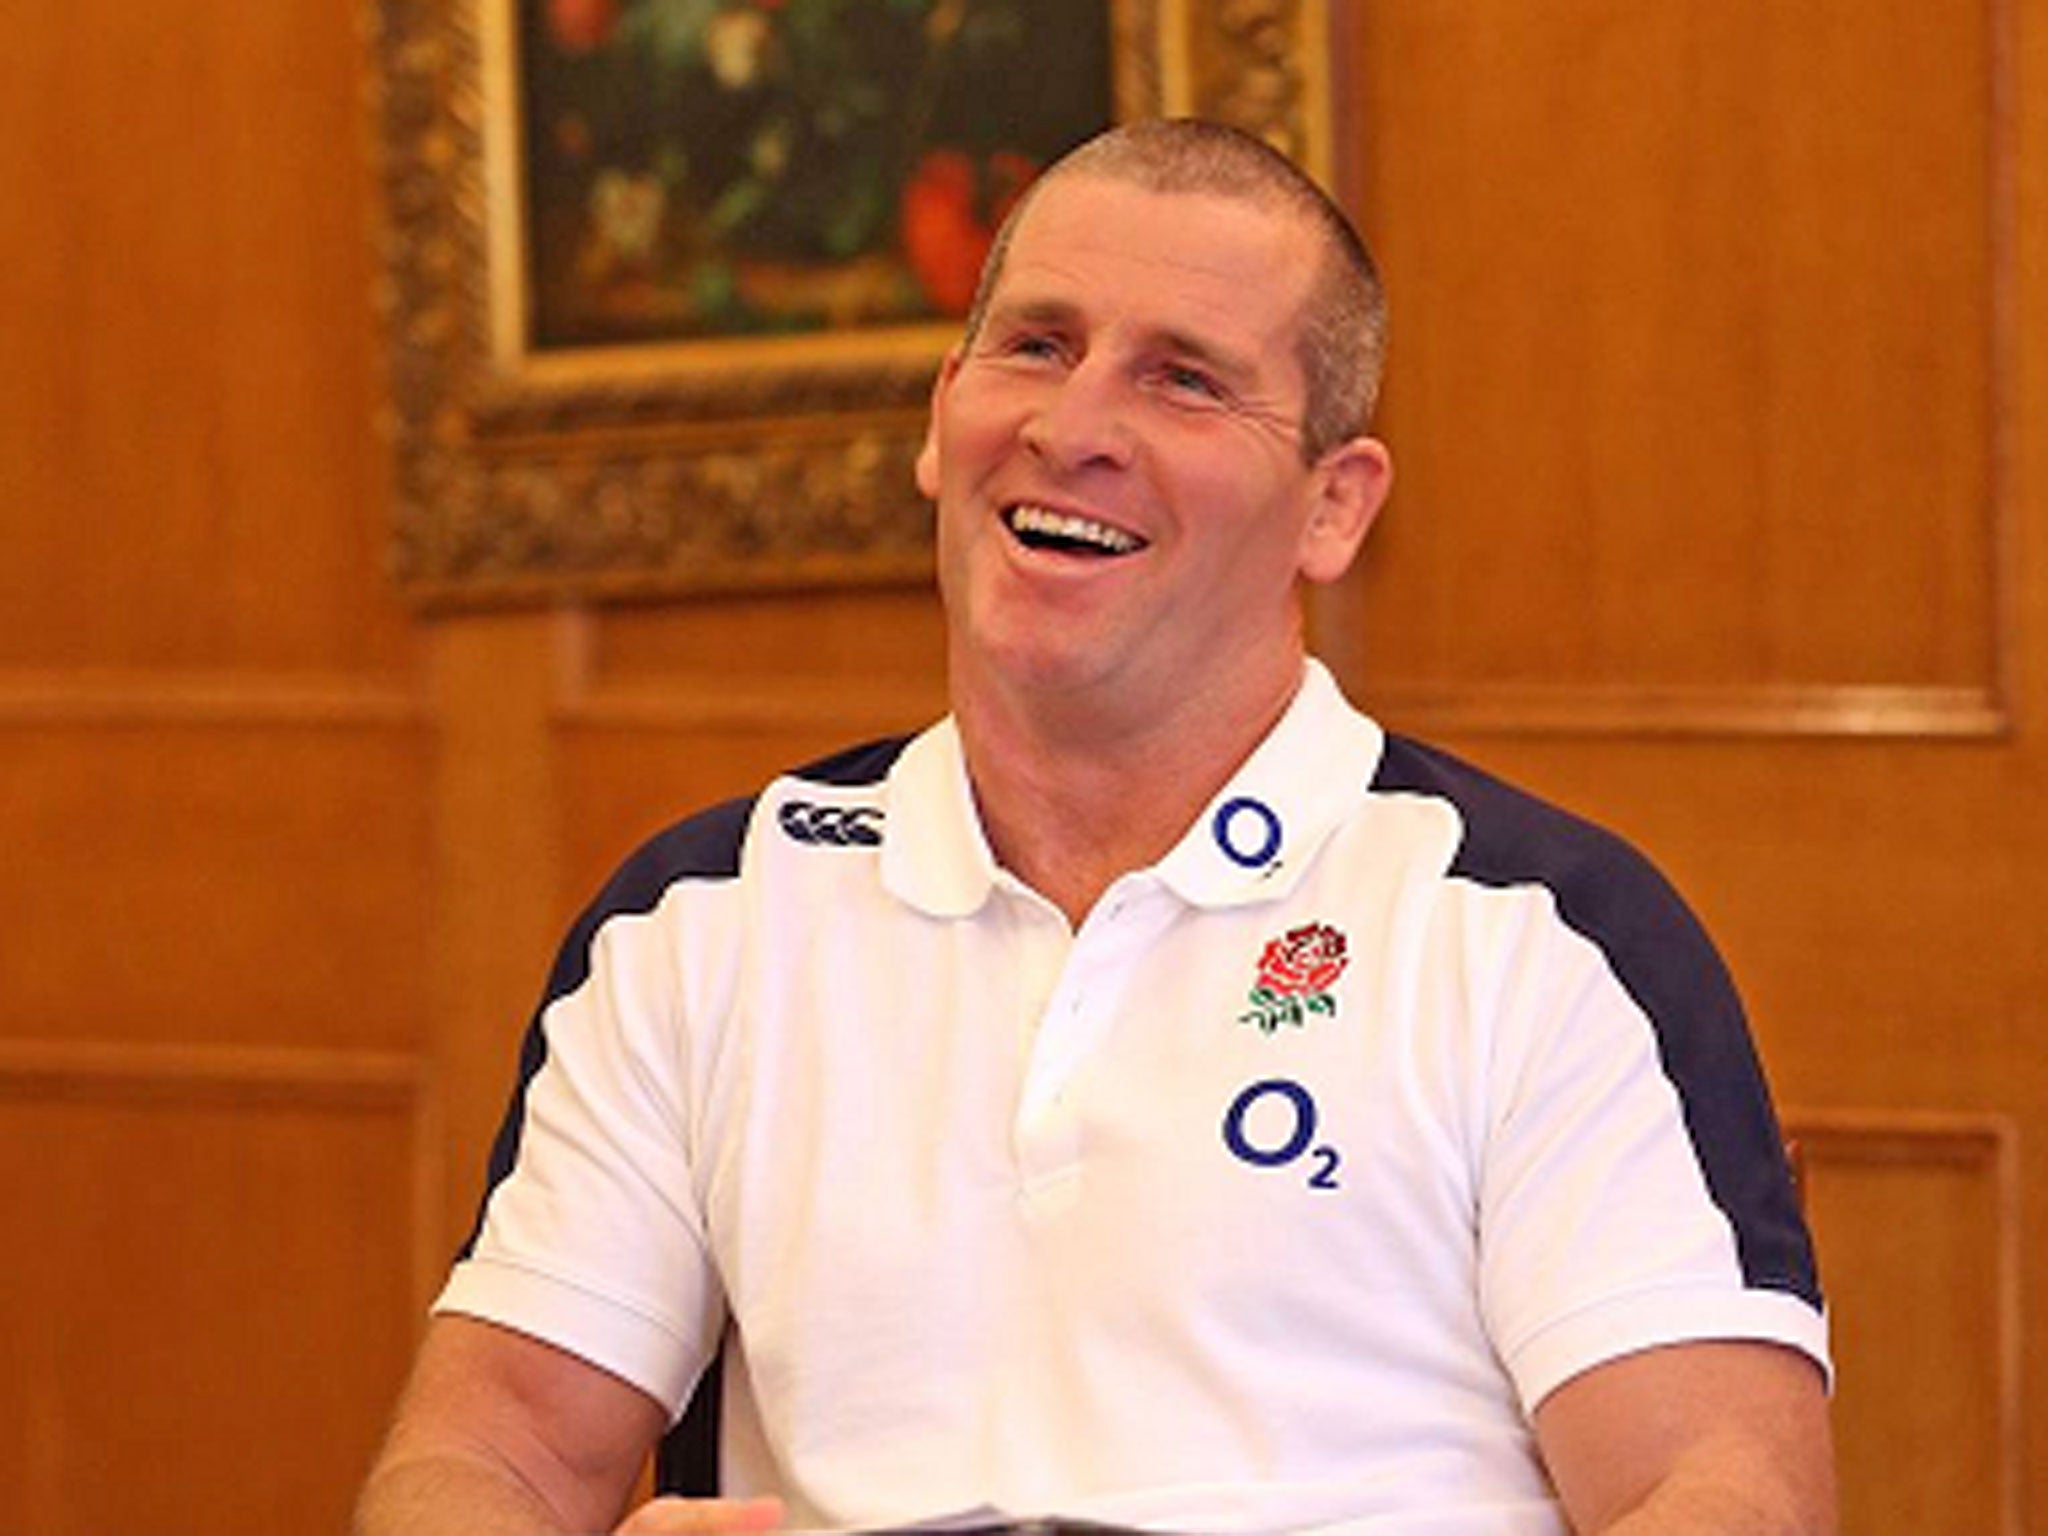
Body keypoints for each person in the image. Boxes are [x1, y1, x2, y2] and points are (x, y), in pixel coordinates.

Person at [356, 119, 1834, 1535]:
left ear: (1334, 506)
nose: (1075, 429)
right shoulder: (701, 921)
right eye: (1037, 346)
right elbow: (487, 1456)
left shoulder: (1543, 938)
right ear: (945, 417)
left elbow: (1723, 1495)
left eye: (1184, 381)